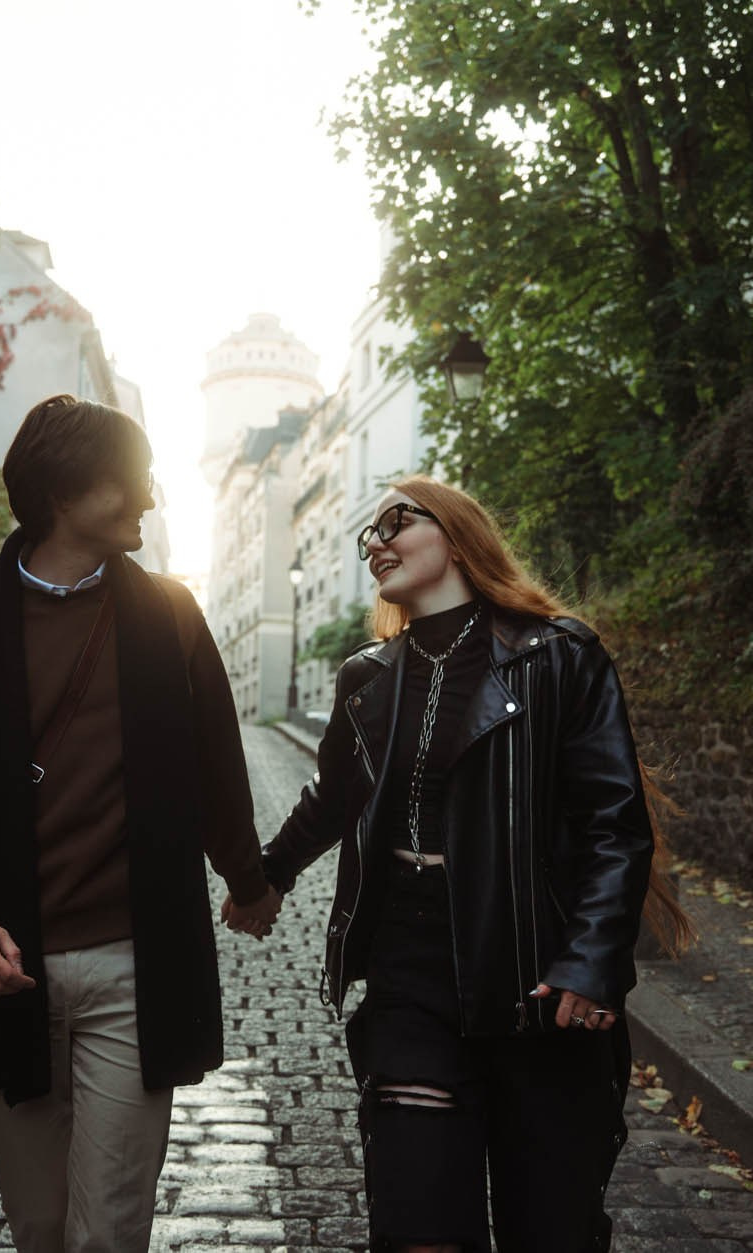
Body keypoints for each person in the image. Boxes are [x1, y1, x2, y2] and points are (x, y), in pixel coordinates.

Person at [0, 394, 283, 1252]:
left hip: (135, 971)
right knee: (39, 1223)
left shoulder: (171, 615)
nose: (151, 496)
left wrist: (249, 881)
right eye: (132, 480)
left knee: (109, 1230)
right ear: (65, 493)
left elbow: (218, 768)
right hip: (4, 971)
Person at [241, 474, 666, 1252]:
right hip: (411, 980)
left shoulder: (561, 655)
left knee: (552, 1231)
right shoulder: (367, 678)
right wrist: (265, 876)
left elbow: (615, 822)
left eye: (394, 521)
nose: (376, 542)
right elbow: (333, 797)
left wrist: (594, 958)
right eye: (367, 535)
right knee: (420, 1227)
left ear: (457, 530)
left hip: (536, 983)